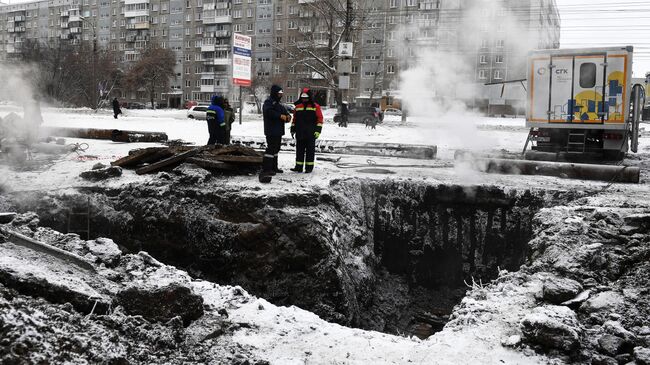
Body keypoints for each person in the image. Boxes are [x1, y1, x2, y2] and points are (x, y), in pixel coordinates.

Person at [260, 84, 291, 182]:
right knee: (271, 149)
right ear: (275, 93)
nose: (280, 95)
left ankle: (274, 167)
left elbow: (285, 112)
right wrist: (280, 116)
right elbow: (268, 112)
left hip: (278, 130)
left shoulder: (279, 104)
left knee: (276, 148)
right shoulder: (268, 102)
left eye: (281, 93)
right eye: (279, 93)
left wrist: (288, 116)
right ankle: (267, 168)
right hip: (271, 130)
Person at [290, 88, 323, 173]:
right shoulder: (297, 107)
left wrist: (318, 131)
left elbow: (320, 119)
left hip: (311, 133)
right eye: (303, 98)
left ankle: (309, 168)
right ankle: (298, 167)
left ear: (309, 98)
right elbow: (294, 119)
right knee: (299, 151)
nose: (304, 99)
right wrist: (293, 129)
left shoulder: (315, 106)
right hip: (300, 133)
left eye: (306, 98)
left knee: (310, 151)